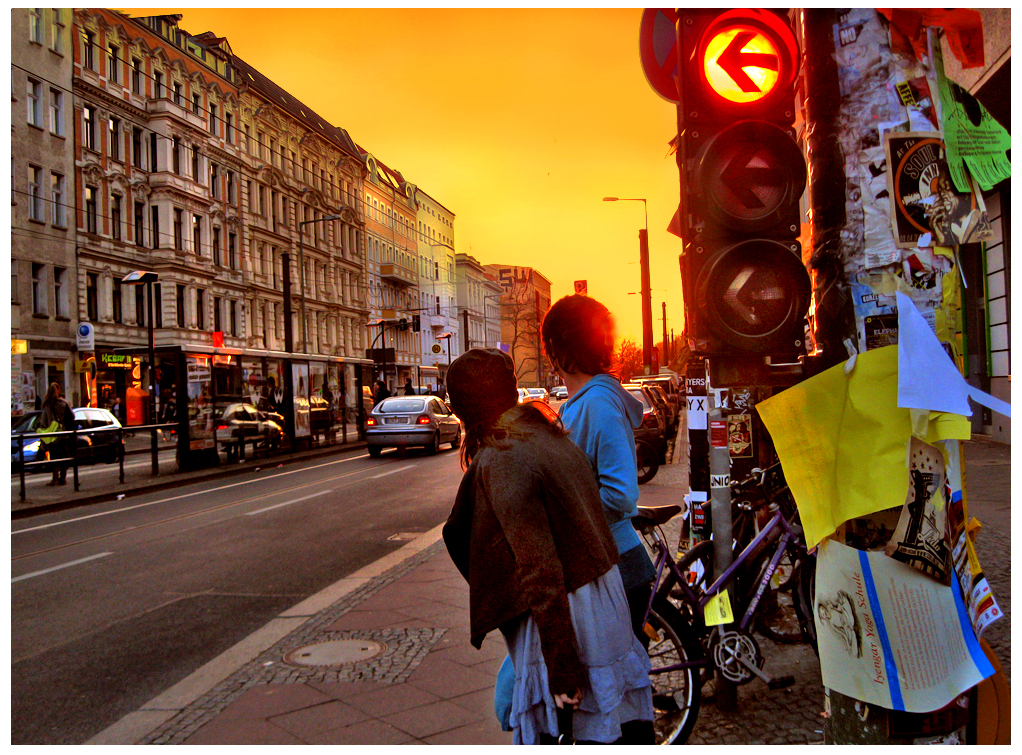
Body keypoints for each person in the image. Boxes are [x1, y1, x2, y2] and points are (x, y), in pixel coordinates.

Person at [443, 349, 653, 745]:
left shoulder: (503, 457)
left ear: (462, 409)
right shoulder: (544, 434)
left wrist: (562, 668)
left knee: (571, 732)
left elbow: (539, 568)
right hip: (600, 597)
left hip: (570, 613)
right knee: (616, 728)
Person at [541, 294, 656, 638]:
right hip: (601, 563)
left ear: (556, 347)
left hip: (614, 566)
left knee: (615, 684)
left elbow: (621, 495)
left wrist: (568, 520)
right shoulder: (581, 403)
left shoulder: (598, 404)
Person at [39, 382, 75, 486]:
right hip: (63, 434)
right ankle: (63, 479)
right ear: (58, 391)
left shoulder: (47, 405)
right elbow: (71, 417)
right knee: (64, 456)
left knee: (54, 457)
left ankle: (55, 479)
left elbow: (43, 422)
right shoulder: (64, 403)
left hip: (52, 436)